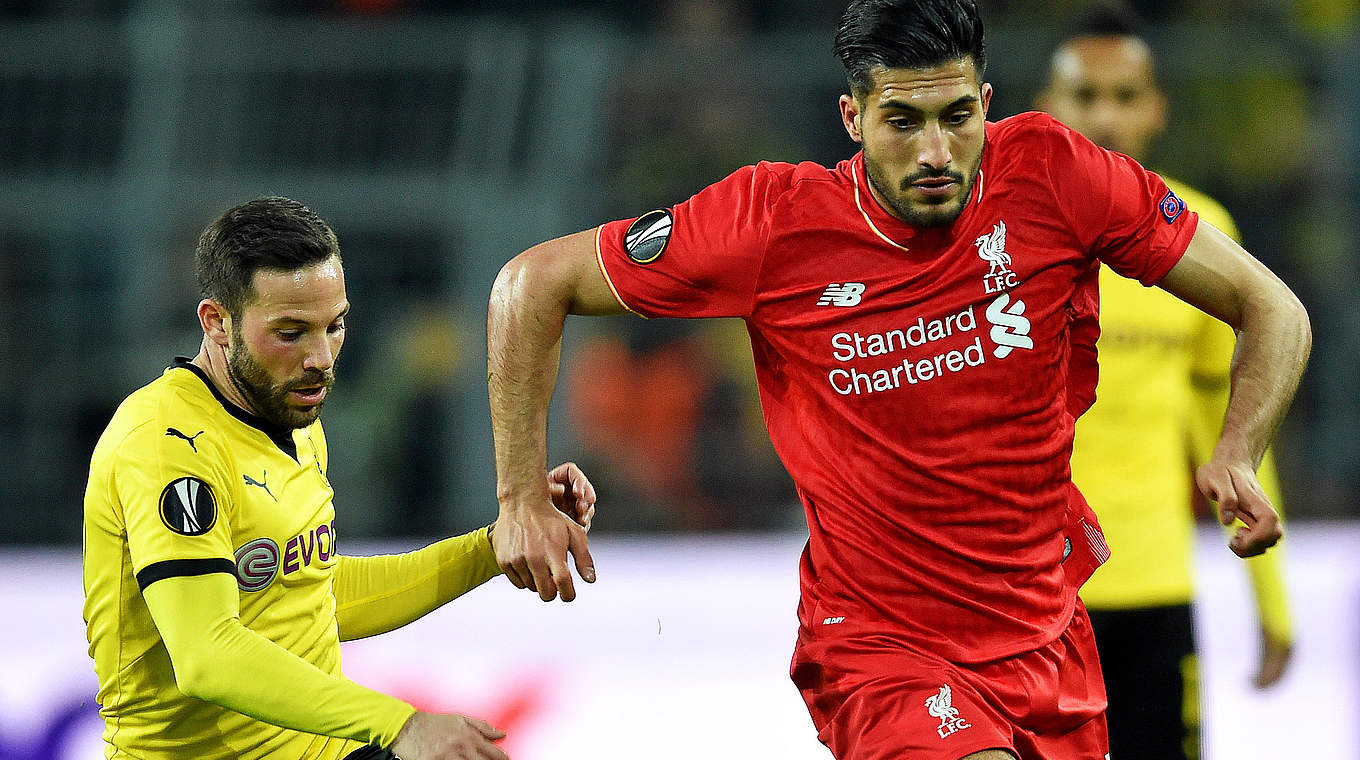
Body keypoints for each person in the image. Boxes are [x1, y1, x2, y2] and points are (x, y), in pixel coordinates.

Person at [484, 1, 1311, 758]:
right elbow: (530, 283)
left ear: (987, 101)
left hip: (1045, 637)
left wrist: (1238, 448)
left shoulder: (1057, 175)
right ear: (852, 117)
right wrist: (519, 495)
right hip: (880, 651)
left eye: (957, 118)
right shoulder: (774, 223)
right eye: (902, 121)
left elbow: (1272, 308)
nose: (935, 153)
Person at [82, 196, 596, 760]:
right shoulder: (167, 445)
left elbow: (315, 595)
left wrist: (496, 545)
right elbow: (206, 653)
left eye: (335, 326)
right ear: (217, 323)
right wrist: (398, 724)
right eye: (291, 332)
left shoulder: (292, 414)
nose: (320, 357)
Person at [1036, 5, 1294, 759]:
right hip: (1032, 596)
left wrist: (1269, 599)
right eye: (1086, 97)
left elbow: (1228, 422)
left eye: (1125, 95)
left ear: (1156, 108)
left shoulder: (1201, 238)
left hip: (1156, 588)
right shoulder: (999, 237)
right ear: (1049, 107)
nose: (1106, 116)